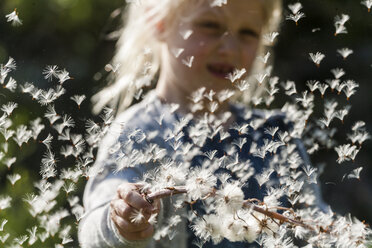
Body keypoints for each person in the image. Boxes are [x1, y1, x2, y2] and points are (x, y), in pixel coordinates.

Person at [78, 0, 325, 247]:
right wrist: (120, 220)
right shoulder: (138, 132)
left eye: (247, 33)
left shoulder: (274, 138)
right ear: (158, 22)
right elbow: (100, 216)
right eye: (210, 25)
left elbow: (315, 225)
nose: (230, 47)